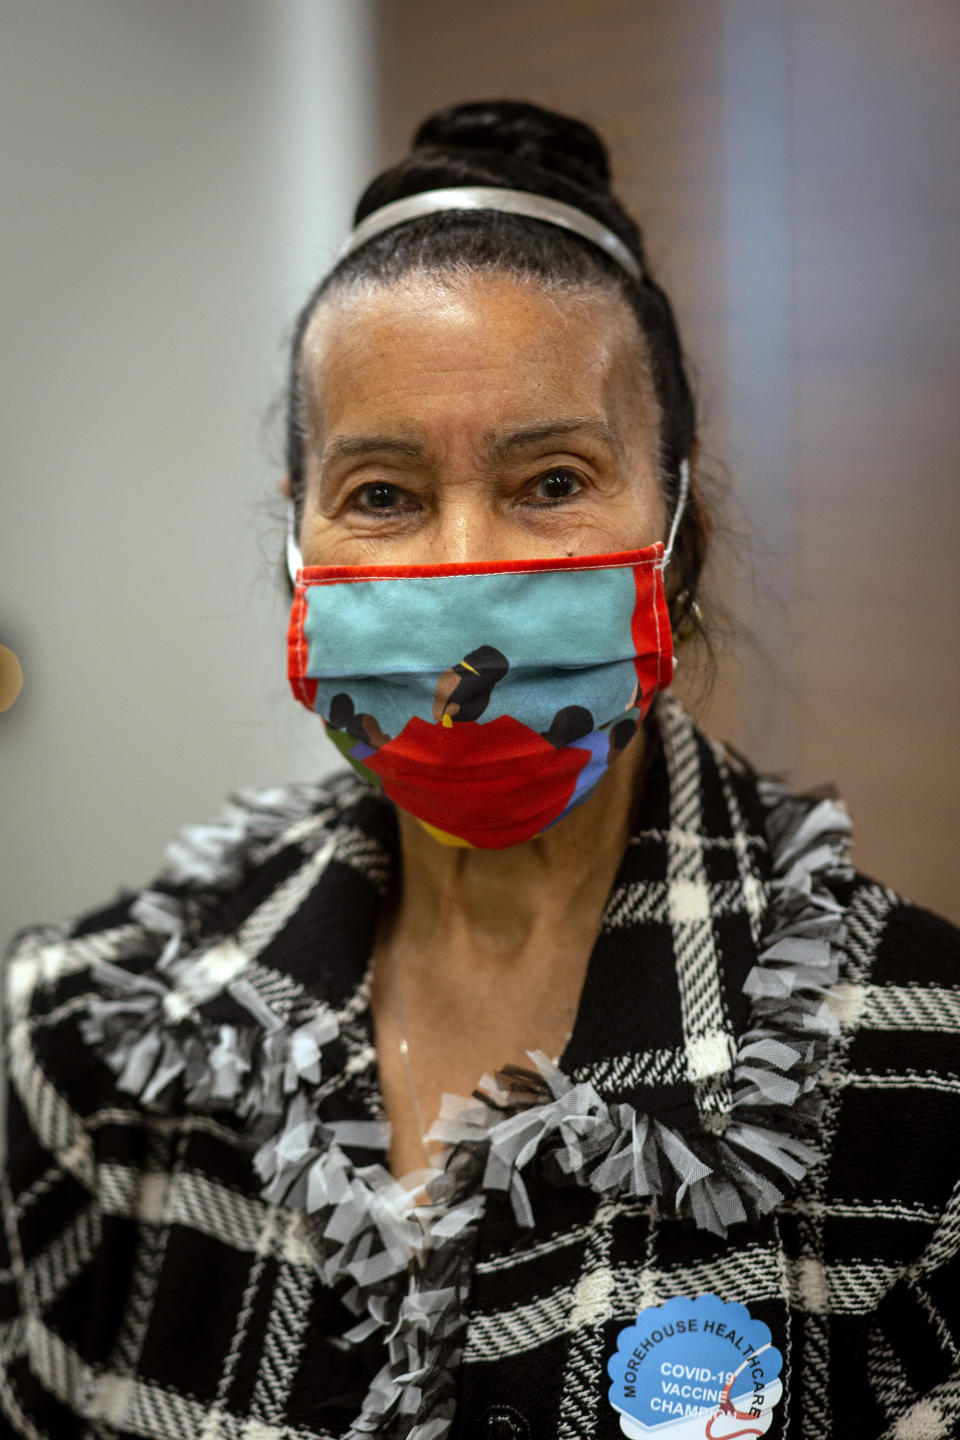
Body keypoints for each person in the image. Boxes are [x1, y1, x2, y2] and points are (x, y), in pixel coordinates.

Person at [2, 99, 959, 1440]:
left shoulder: (919, 1077)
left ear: (677, 535)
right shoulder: (86, 1041)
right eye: (382, 495)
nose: (464, 569)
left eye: (554, 480)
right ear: (303, 551)